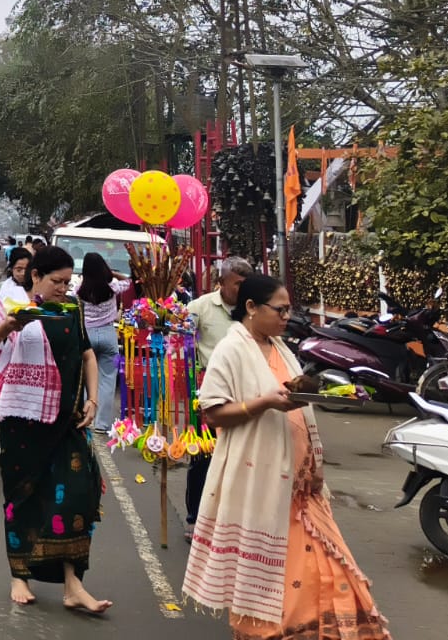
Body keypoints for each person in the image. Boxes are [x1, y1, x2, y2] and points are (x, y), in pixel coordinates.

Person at [182, 274, 391, 640]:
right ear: (250, 308)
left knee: (328, 574)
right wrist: (264, 403)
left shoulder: (280, 347)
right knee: (278, 586)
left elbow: (297, 400)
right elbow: (212, 413)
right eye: (280, 310)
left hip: (301, 488)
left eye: (287, 310)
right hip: (261, 483)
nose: (285, 317)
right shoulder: (232, 350)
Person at [0, 245, 110, 615]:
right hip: (22, 425)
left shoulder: (71, 310)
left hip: (67, 421)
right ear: (35, 276)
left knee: (75, 497)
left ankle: (73, 584)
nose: (64, 288)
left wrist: (93, 400)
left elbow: (87, 355)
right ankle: (20, 575)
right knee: (23, 500)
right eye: (57, 281)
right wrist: (5, 328)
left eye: (68, 281)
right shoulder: (10, 308)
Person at [184, 256, 253, 538]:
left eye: (245, 285)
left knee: (239, 459)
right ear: (222, 282)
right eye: (237, 284)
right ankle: (194, 518)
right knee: (203, 458)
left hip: (244, 392)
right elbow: (183, 343)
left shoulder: (252, 310)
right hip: (208, 392)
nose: (241, 290)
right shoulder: (199, 308)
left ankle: (229, 522)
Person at [76, 253, 131, 434]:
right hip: (108, 334)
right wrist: (113, 273)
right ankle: (102, 424)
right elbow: (129, 281)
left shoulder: (79, 289)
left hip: (87, 335)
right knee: (107, 380)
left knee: (86, 379)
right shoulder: (112, 287)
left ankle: (86, 416)